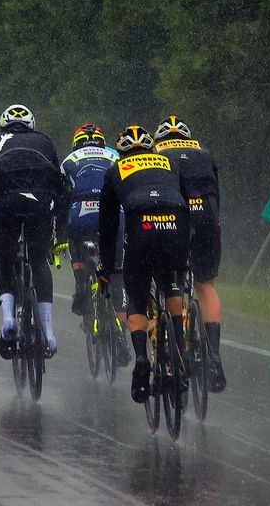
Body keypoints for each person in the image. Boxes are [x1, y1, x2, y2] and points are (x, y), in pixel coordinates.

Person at [98, 125, 192, 403]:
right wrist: (186, 254)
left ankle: (141, 360)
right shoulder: (169, 162)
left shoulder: (116, 170)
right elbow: (185, 201)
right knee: (171, 282)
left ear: (121, 151)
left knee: (137, 297)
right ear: (151, 148)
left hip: (141, 228)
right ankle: (182, 348)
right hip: (176, 224)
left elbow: (109, 223)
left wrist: (106, 265)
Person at [0, 104, 61, 359]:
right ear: (31, 125)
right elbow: (58, 184)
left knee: (4, 262)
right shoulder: (45, 142)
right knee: (39, 262)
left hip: (6, 205)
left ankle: (8, 318)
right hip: (40, 204)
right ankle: (48, 331)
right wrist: (55, 224)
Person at [154, 115, 226, 391]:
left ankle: (176, 338)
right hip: (208, 218)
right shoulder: (204, 153)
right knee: (205, 285)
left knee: (170, 277)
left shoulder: (156, 154)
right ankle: (214, 358)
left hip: (176, 219)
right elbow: (216, 193)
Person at [56, 125, 120, 316]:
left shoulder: (69, 160)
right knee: (115, 249)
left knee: (74, 237)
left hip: (81, 210)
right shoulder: (115, 157)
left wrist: (60, 229)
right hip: (110, 212)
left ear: (77, 142)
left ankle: (81, 284)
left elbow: (62, 197)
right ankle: (118, 291)